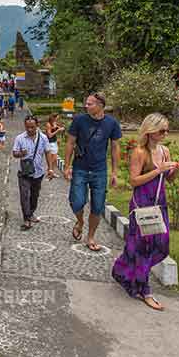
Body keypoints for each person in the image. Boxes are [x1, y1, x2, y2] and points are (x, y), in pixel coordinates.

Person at [112, 113, 179, 311]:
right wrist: (158, 169)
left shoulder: (165, 151)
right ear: (150, 130)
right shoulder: (140, 152)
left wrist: (176, 168)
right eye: (162, 130)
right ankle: (145, 290)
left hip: (159, 202)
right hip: (141, 203)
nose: (165, 133)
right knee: (143, 246)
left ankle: (122, 268)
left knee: (161, 245)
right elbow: (133, 181)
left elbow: (169, 179)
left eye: (167, 130)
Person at [64, 93, 122, 252]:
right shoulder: (79, 120)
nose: (86, 106)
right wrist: (67, 166)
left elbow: (115, 147)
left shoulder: (112, 123)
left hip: (100, 171)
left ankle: (90, 237)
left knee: (97, 207)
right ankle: (80, 222)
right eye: (86, 103)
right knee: (76, 202)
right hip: (80, 168)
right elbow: (70, 142)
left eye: (90, 104)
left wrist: (115, 172)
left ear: (100, 105)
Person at [13, 116, 54, 230]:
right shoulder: (20, 138)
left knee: (34, 196)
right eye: (27, 127)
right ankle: (26, 219)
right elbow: (14, 153)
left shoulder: (43, 138)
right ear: (25, 126)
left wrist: (50, 169)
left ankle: (30, 213)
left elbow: (47, 153)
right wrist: (21, 153)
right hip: (24, 173)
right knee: (24, 196)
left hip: (38, 172)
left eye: (32, 127)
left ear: (37, 126)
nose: (30, 129)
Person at [45, 114, 65, 178]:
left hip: (54, 142)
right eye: (57, 118)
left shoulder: (54, 123)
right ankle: (50, 171)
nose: (57, 119)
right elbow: (49, 135)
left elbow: (57, 128)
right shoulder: (48, 124)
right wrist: (58, 130)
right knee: (53, 159)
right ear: (53, 118)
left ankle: (51, 171)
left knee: (55, 159)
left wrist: (60, 128)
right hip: (50, 143)